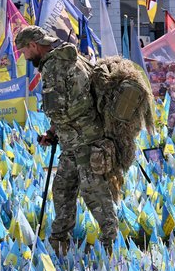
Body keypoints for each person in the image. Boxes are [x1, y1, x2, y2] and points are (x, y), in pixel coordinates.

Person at [15, 25, 118, 254]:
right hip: (73, 140)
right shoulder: (65, 59)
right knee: (62, 189)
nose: (24, 56)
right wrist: (53, 133)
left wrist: (56, 127)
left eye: (24, 51)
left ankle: (111, 246)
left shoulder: (54, 65)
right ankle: (59, 242)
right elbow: (69, 103)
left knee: (94, 194)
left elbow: (62, 107)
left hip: (86, 141)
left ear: (34, 45)